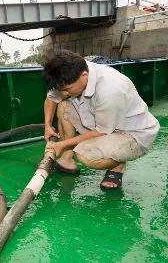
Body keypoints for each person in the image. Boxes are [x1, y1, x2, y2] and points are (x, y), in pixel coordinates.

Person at [42, 50, 159, 190]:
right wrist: (47, 126)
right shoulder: (68, 76)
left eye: (67, 90)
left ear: (84, 76)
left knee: (85, 155)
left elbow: (102, 132)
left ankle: (117, 165)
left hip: (131, 133)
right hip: (100, 121)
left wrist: (62, 144)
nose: (64, 93)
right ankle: (67, 159)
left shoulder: (111, 89)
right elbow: (52, 98)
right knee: (63, 105)